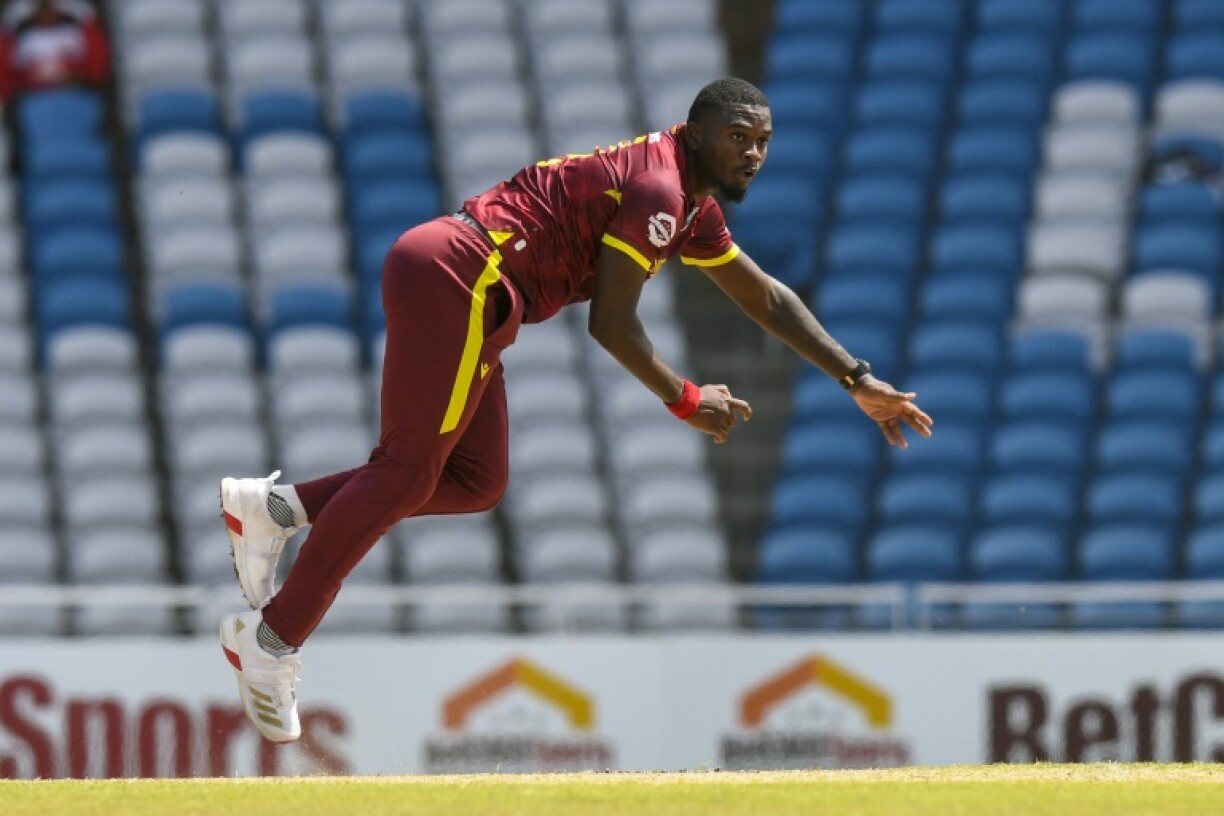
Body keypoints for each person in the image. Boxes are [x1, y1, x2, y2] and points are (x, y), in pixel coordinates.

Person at [217, 78, 934, 743]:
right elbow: (613, 327)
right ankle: (271, 642)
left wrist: (856, 378)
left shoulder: (690, 203)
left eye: (763, 141)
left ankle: (274, 510)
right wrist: (685, 398)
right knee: (405, 472)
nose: (752, 153)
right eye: (737, 137)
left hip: (479, 293)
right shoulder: (659, 192)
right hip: (460, 277)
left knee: (473, 480)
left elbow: (764, 297)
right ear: (694, 132)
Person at [0, 0, 109, 104]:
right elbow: (4, 78)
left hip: (74, 98)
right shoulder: (25, 40)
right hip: (32, 102)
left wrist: (86, 19)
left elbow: (97, 70)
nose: (47, 13)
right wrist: (8, 28)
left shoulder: (72, 34)